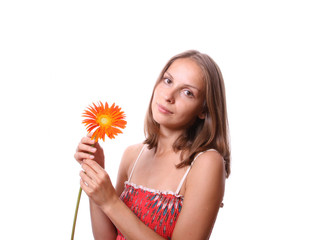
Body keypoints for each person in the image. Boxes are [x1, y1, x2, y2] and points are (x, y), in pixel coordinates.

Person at [74, 50, 231, 240]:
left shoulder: (206, 163)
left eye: (187, 92)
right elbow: (106, 238)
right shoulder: (132, 156)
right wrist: (95, 173)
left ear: (204, 110)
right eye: (168, 81)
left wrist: (110, 201)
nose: (169, 96)